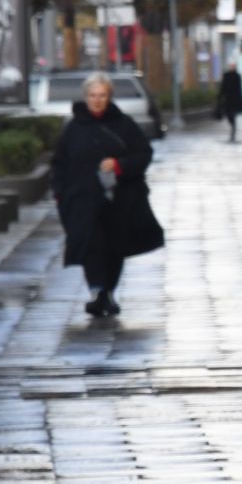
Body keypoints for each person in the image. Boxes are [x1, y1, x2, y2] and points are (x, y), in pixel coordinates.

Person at [51, 72, 164, 318]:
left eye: (102, 95)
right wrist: (61, 195)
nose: (97, 100)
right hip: (82, 201)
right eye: (92, 95)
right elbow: (59, 163)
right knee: (92, 245)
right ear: (86, 97)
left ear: (109, 97)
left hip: (119, 200)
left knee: (115, 247)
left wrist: (119, 165)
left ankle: (108, 292)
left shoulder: (123, 124)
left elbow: (143, 153)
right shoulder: (74, 128)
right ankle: (97, 290)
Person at [217, 66, 242, 142]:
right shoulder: (227, 76)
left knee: (232, 115)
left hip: (233, 100)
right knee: (230, 115)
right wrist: (220, 96)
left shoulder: (237, 76)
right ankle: (233, 127)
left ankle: (233, 128)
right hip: (229, 99)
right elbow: (223, 87)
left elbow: (239, 89)